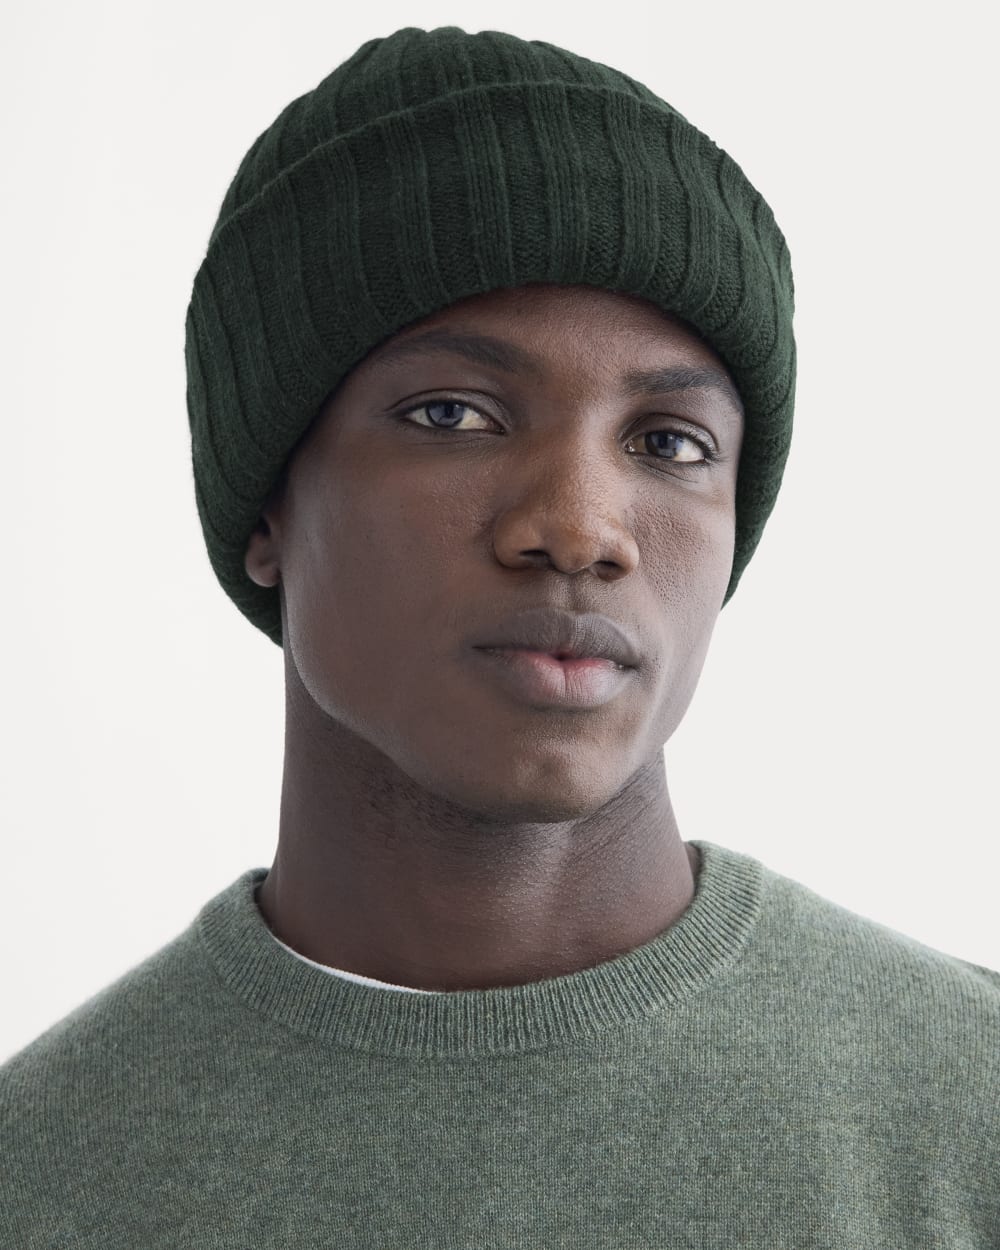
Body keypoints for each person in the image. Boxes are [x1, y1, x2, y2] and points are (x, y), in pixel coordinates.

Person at [2, 25, 997, 1248]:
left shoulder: (969, 1109)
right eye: (452, 414)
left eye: (669, 442)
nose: (578, 528)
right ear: (266, 505)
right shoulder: (41, 1174)